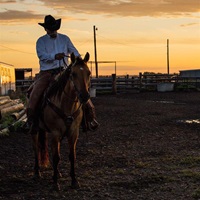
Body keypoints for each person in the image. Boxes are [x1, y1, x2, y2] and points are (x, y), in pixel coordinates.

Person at [25, 15, 99, 134]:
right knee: (35, 93)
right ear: (46, 29)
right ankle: (31, 121)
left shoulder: (65, 39)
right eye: (51, 29)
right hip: (47, 72)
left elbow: (74, 51)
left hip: (64, 71)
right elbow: (41, 56)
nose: (53, 31)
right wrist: (54, 56)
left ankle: (89, 117)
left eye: (54, 28)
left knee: (81, 90)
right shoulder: (41, 41)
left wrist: (80, 60)